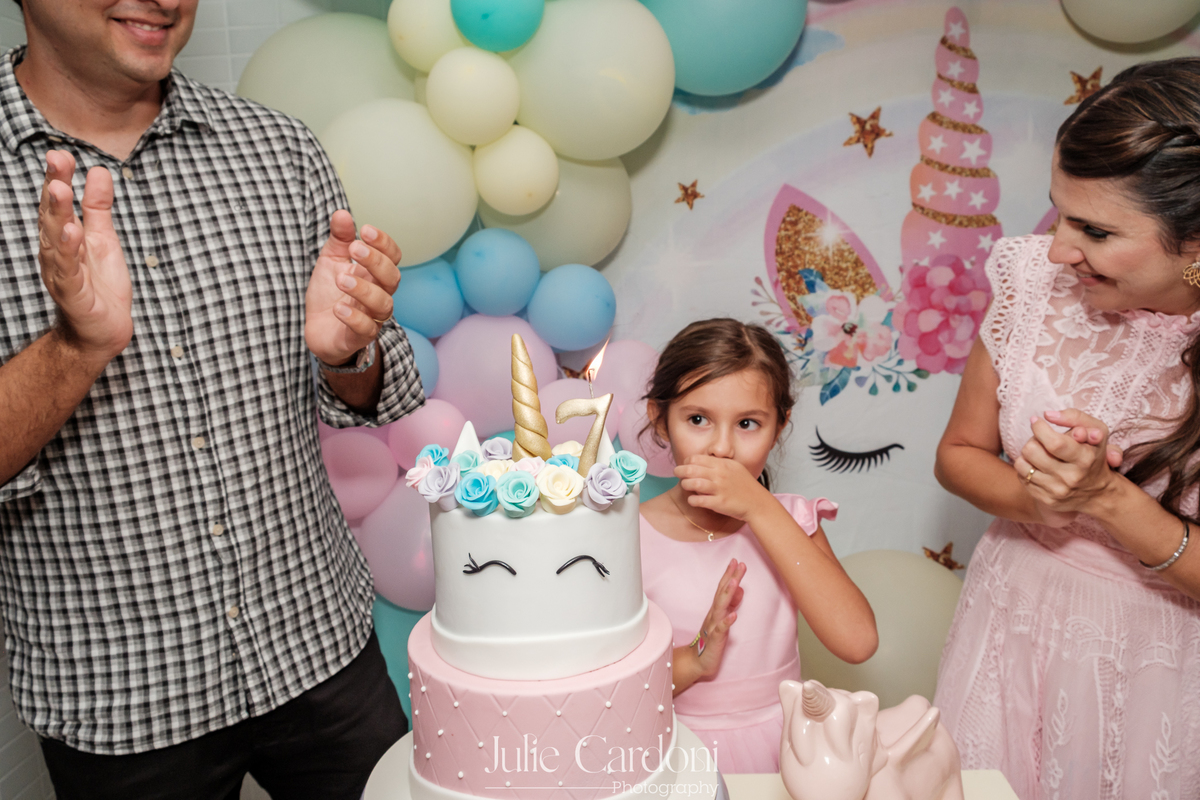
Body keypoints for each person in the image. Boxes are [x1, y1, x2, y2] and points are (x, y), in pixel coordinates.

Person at [0, 1, 423, 797]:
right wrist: (74, 349)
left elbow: (371, 391)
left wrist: (350, 353)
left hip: (320, 647)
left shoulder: (279, 151)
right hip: (120, 704)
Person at [933, 58, 1200, 800]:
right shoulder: (1034, 284)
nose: (1057, 250)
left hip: (1154, 669)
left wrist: (1106, 499)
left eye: (1095, 230)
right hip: (1009, 623)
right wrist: (1038, 499)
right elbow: (958, 453)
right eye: (1058, 212)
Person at [637, 318, 878, 773]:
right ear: (660, 419)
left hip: (784, 748)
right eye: (697, 419)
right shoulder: (629, 536)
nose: (722, 447)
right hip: (675, 750)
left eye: (747, 423)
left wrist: (761, 510)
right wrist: (696, 656)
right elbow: (610, 689)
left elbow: (857, 642)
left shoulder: (792, 522)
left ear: (779, 426)